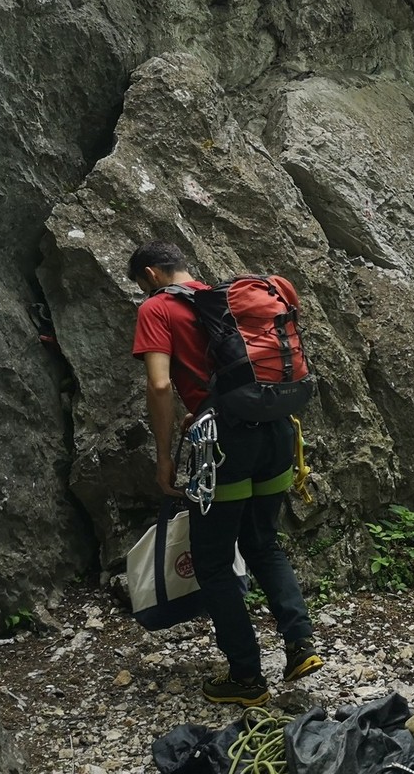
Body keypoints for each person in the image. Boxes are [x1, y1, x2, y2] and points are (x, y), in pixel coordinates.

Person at [128, 239, 323, 706]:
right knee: (262, 543)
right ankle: (299, 645)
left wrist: (163, 458)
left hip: (221, 445)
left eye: (140, 284)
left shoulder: (157, 309)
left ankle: (246, 677)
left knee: (213, 562)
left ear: (151, 274)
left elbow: (159, 384)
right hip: (275, 432)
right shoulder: (223, 301)